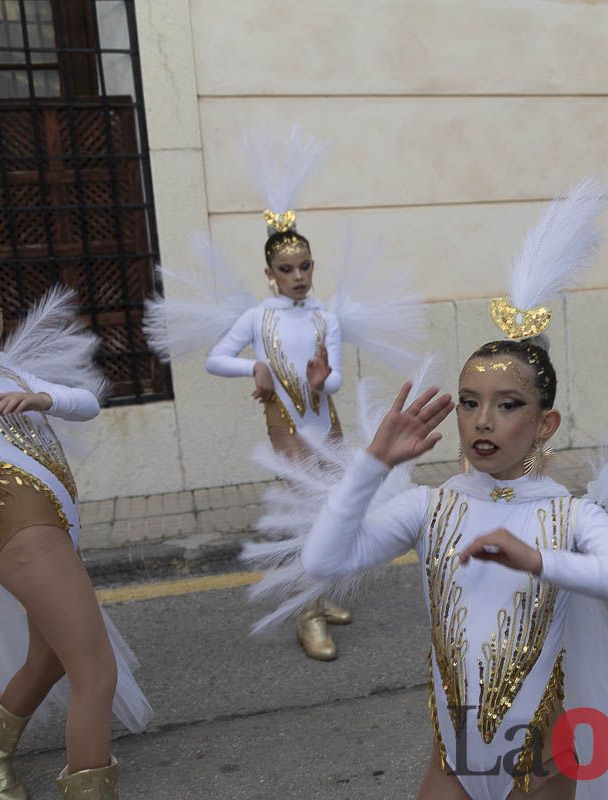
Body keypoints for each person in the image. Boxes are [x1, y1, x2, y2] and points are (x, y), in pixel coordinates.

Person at [245, 179, 608, 798]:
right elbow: (322, 561)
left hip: (540, 764)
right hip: (453, 755)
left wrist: (541, 560)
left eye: (508, 405)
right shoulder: (430, 506)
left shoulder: (570, 516)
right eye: (470, 402)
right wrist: (372, 464)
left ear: (544, 423)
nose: (483, 420)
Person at [145, 127, 424, 660]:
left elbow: (335, 377)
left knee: (337, 508)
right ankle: (306, 612)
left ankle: (319, 594)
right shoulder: (257, 317)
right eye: (287, 270)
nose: (298, 277)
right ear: (269, 274)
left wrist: (323, 381)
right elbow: (214, 358)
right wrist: (257, 367)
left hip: (327, 424)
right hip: (288, 429)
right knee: (304, 516)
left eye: (305, 267)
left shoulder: (326, 316)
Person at [0, 104, 149, 800]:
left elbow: (89, 401)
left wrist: (43, 399)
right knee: (94, 668)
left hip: (52, 531)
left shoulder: (6, 374)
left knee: (49, 657)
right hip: (23, 537)